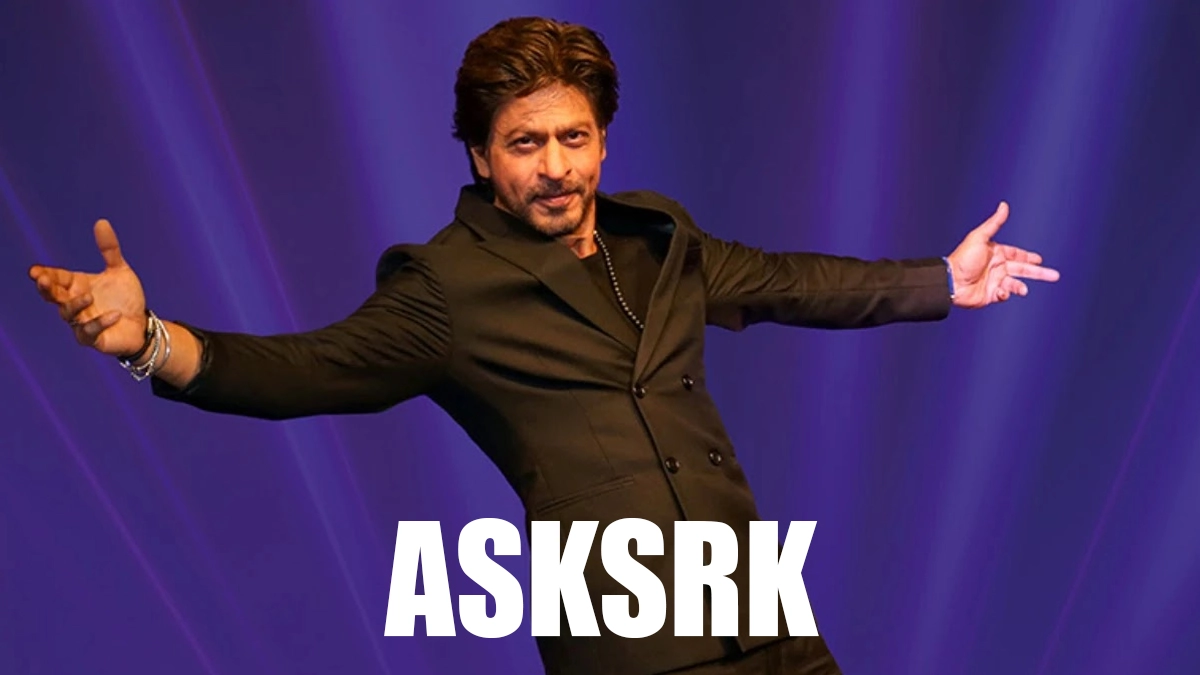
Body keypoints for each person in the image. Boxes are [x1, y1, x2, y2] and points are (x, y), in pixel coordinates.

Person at [27, 16, 1059, 675]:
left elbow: (790, 281)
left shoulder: (660, 239)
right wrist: (149, 340)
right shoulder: (447, 288)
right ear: (483, 157)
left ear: (603, 138)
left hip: (767, 619)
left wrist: (940, 278)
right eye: (525, 144)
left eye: (574, 138)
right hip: (635, 649)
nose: (556, 167)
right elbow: (303, 371)